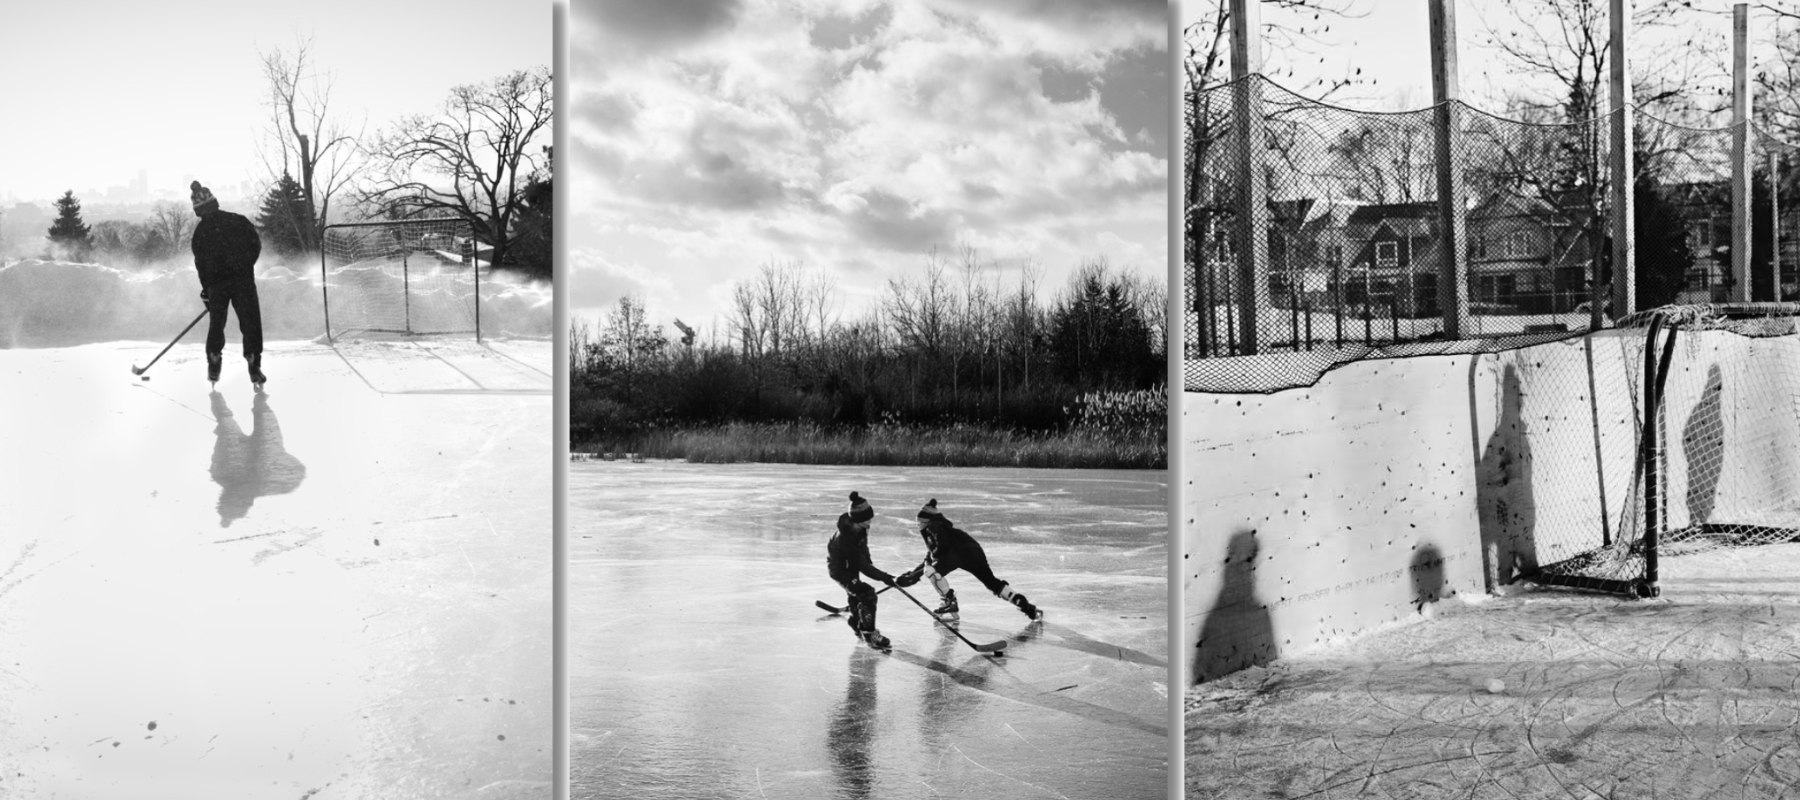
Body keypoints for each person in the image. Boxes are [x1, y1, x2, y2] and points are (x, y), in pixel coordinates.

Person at [896, 499, 1042, 622]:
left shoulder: (933, 527)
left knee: (931, 571)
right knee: (991, 582)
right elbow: (931, 556)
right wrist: (913, 574)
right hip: (973, 551)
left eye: (919, 522)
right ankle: (1022, 604)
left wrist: (917, 574)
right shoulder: (939, 527)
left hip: (959, 553)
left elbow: (940, 551)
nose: (917, 525)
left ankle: (949, 602)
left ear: (925, 521)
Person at [189, 180, 265, 386]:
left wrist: (207, 289)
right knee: (250, 322)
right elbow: (255, 244)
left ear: (197, 210)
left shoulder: (200, 233)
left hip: (216, 284)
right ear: (215, 202)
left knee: (217, 324)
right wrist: (246, 265)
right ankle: (253, 360)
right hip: (243, 281)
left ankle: (214, 358)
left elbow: (200, 265)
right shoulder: (237, 220)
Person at [826, 491, 898, 649]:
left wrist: (870, 563)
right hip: (840, 570)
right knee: (866, 594)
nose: (870, 521)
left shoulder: (861, 527)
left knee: (857, 595)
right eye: (867, 519)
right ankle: (869, 635)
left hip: (850, 565)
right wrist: (884, 577)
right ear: (858, 520)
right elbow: (862, 566)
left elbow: (863, 549)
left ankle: (856, 622)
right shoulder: (845, 539)